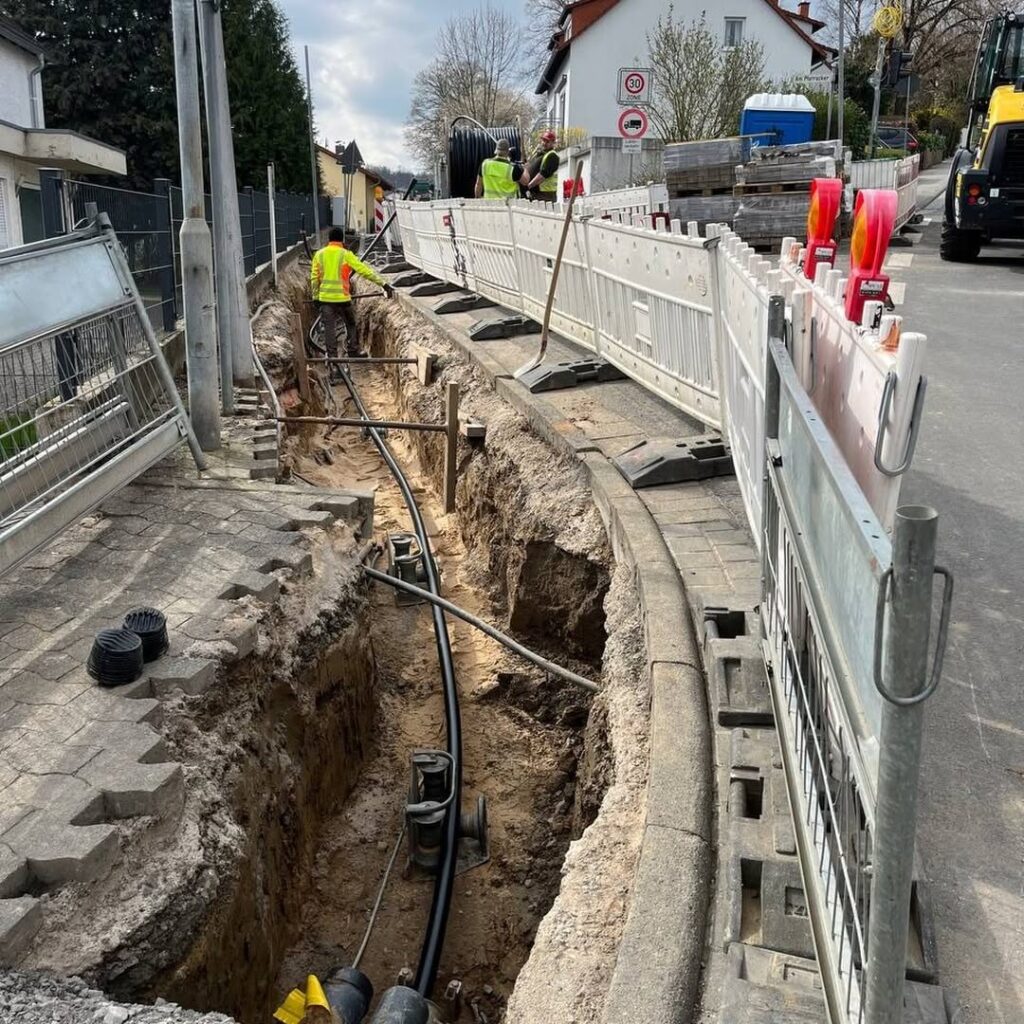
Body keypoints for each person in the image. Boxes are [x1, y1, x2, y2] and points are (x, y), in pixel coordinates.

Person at [310, 227, 393, 367]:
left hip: (325, 300)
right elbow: (364, 270)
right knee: (351, 323)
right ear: (342, 239)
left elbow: (314, 278)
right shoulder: (346, 254)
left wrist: (315, 297)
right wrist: (383, 283)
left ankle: (332, 358)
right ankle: (353, 350)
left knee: (329, 327)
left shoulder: (319, 255)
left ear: (328, 240)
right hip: (343, 299)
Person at [525, 130, 560, 202]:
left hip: (546, 195)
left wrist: (528, 186)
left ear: (553, 143)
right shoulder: (541, 154)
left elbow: (542, 175)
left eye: (547, 141)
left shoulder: (552, 156)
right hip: (538, 194)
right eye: (543, 140)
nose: (544, 143)